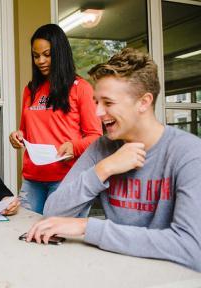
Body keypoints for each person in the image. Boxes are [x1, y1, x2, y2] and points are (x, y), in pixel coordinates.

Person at [25, 48, 201, 272]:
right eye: (96, 102)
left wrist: (88, 227)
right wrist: (104, 169)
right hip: (115, 270)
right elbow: (53, 211)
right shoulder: (103, 147)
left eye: (107, 103)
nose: (97, 112)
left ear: (144, 102)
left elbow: (192, 248)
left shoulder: (189, 153)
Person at [9, 24, 102, 214]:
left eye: (47, 54)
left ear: (59, 53)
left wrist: (74, 146)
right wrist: (17, 136)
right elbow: (25, 131)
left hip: (66, 178)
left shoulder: (80, 87)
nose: (41, 61)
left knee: (57, 236)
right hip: (32, 178)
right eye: (36, 56)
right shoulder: (30, 90)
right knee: (22, 233)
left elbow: (96, 136)